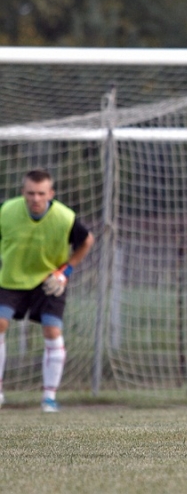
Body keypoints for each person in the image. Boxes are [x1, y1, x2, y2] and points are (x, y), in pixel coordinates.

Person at [0, 168, 95, 412]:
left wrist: (65, 271)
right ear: (22, 192)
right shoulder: (6, 211)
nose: (36, 198)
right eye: (31, 193)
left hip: (48, 280)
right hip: (11, 278)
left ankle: (49, 398)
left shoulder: (65, 217)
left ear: (51, 193)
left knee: (52, 330)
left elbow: (87, 240)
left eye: (41, 193)